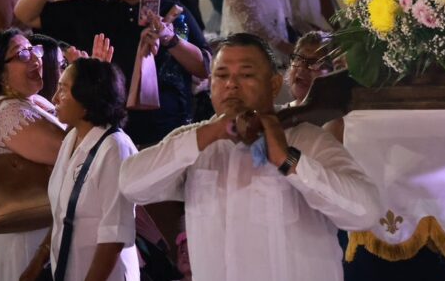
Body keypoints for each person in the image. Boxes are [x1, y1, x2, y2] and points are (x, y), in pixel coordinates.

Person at [118, 33, 382, 281]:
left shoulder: (305, 139)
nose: (231, 84)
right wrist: (208, 134)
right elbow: (131, 184)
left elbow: (366, 212)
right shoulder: (195, 141)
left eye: (246, 74)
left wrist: (289, 161)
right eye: (221, 75)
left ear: (275, 85)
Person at [14, 0, 209, 147]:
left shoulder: (173, 12)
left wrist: (171, 40)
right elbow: (25, 14)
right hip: (107, 139)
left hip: (170, 136)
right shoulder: (89, 12)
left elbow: (204, 67)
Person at [20, 59, 139, 281]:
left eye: (63, 89)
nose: (55, 98)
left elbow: (113, 237)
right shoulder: (71, 139)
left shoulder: (115, 149)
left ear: (87, 98)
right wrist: (36, 265)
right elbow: (63, 216)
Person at [0, 29, 67, 281]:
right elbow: (69, 151)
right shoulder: (7, 112)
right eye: (22, 54)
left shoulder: (34, 102)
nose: (35, 59)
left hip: (44, 227)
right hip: (25, 234)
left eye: (35, 50)